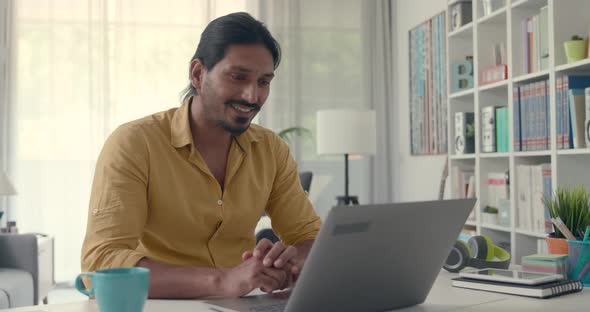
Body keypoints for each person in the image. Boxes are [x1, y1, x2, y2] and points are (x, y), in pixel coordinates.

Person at [81, 12, 321, 299]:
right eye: (238, 77)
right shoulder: (135, 143)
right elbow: (101, 263)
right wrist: (223, 281)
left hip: (239, 305)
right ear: (197, 73)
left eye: (263, 82)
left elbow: (311, 237)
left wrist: (289, 261)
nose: (251, 96)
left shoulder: (271, 150)